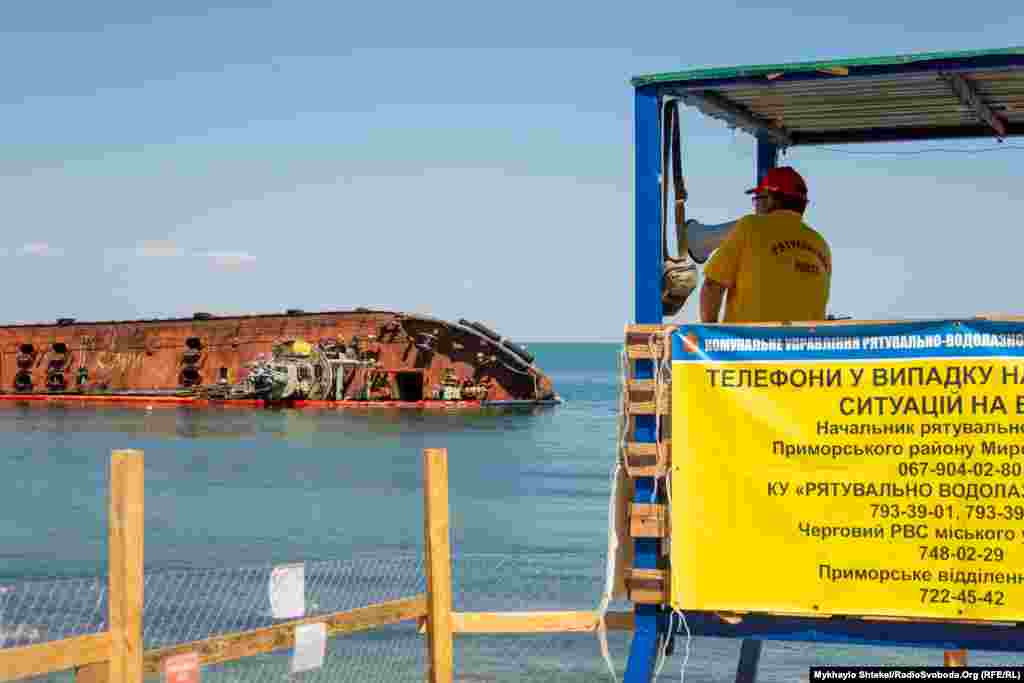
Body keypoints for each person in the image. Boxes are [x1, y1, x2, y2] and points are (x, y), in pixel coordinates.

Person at [699, 166, 831, 324]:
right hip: (804, 346)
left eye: (758, 199)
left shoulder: (750, 226)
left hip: (751, 346)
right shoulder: (821, 244)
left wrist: (708, 338)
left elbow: (712, 285)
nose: (755, 205)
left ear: (770, 199)